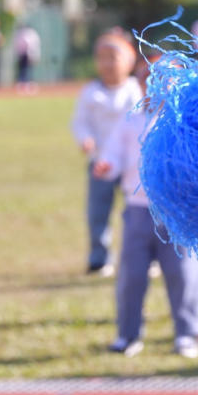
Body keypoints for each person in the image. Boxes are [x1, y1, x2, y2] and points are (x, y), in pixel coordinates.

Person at [95, 58, 198, 358]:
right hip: (138, 210)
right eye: (149, 76)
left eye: (167, 78)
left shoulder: (188, 120)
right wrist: (108, 165)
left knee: (183, 275)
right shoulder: (131, 119)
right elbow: (115, 152)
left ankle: (186, 334)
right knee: (132, 275)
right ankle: (128, 335)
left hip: (177, 211)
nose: (157, 83)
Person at [70, 30, 142, 276]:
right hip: (100, 163)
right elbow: (79, 122)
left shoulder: (135, 90)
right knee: (98, 212)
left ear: (130, 61)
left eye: (114, 56)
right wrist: (85, 139)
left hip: (132, 165)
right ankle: (99, 258)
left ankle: (144, 256)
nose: (108, 63)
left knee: (138, 211)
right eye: (102, 57)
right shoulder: (91, 92)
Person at [14, 24, 42, 93]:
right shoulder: (28, 34)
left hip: (25, 54)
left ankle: (25, 84)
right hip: (26, 54)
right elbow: (29, 44)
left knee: (26, 69)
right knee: (25, 69)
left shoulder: (24, 33)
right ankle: (24, 85)